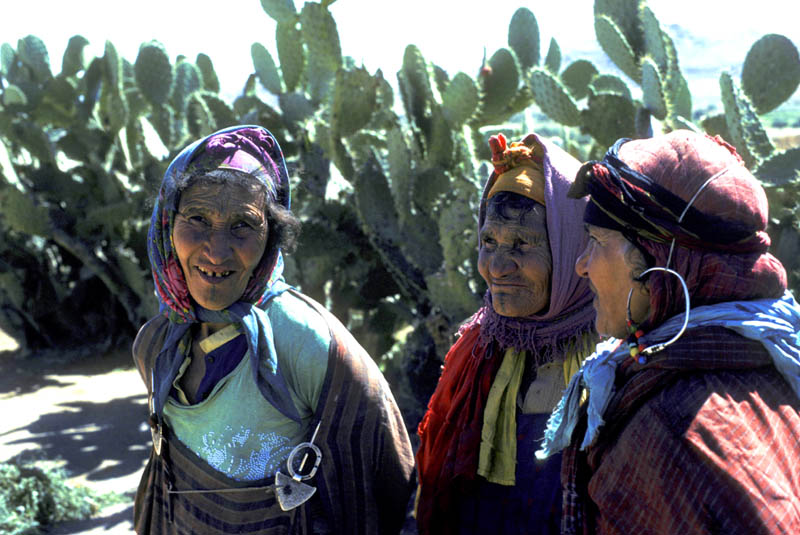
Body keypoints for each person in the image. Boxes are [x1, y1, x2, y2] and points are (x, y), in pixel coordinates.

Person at [132, 125, 415, 535]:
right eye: (197, 219)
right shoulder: (158, 344)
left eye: (242, 226)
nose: (215, 250)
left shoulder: (309, 344)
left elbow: (381, 479)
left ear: (272, 236)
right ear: (166, 225)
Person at [537, 130, 800, 534]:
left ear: (658, 264)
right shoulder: (770, 356)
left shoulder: (670, 427)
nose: (581, 265)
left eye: (597, 240)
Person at [415, 133, 597, 534]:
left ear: (572, 250)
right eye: (489, 241)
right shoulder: (478, 348)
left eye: (521, 244)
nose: (497, 266)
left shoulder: (613, 366)